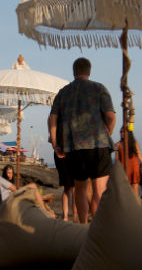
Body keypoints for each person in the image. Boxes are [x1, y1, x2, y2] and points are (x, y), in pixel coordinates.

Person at [48, 57, 116, 224]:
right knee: (99, 190)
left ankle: (83, 225)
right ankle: (99, 226)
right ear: (89, 71)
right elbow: (110, 116)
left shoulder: (63, 93)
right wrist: (108, 132)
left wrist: (56, 143)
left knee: (80, 189)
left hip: (75, 148)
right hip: (99, 144)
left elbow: (52, 119)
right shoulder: (99, 88)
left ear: (74, 71)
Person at [115, 127, 142, 196]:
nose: (122, 134)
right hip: (124, 169)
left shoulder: (134, 143)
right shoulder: (117, 145)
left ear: (128, 133)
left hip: (134, 168)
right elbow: (116, 159)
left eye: (123, 132)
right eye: (121, 132)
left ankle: (136, 206)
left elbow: (139, 155)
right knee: (124, 192)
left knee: (135, 192)